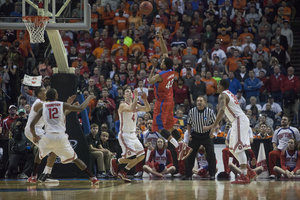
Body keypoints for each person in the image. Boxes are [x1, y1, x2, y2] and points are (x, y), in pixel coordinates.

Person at [29, 89, 99, 185]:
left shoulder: (43, 107)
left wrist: (34, 136)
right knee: (75, 159)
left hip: (48, 136)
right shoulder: (62, 105)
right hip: (61, 137)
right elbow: (81, 108)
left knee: (39, 153)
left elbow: (32, 124)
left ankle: (33, 176)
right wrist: (89, 98)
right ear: (55, 96)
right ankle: (93, 177)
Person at [148, 29, 192, 161]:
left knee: (159, 128)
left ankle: (178, 147)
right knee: (170, 126)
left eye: (161, 62)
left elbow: (150, 81)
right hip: (170, 102)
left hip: (161, 103)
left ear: (163, 65)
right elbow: (165, 52)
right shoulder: (171, 70)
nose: (160, 61)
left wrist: (153, 67)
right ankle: (183, 145)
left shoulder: (160, 75)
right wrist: (160, 38)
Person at [210, 79, 257, 184]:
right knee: (232, 149)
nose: (217, 87)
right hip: (237, 121)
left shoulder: (222, 95)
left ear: (221, 86)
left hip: (239, 120)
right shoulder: (230, 93)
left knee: (239, 148)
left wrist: (213, 127)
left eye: (218, 85)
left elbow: (221, 110)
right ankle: (249, 172)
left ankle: (244, 175)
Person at [110, 88, 150, 182]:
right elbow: (131, 108)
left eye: (130, 91)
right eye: (126, 91)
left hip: (133, 135)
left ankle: (123, 172)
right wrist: (136, 97)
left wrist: (145, 100)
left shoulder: (136, 105)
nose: (129, 92)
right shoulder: (122, 105)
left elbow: (147, 109)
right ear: (124, 95)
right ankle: (115, 161)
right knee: (131, 158)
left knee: (141, 156)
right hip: (125, 134)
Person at [25, 87, 63, 183]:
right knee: (54, 148)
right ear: (39, 94)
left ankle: (33, 176)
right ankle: (45, 175)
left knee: (41, 150)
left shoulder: (43, 103)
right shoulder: (39, 104)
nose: (46, 92)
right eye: (44, 91)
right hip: (33, 130)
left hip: (37, 129)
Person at [184, 96, 216, 180]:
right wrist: (190, 134)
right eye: (197, 100)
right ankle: (188, 174)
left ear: (205, 102)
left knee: (211, 154)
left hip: (206, 135)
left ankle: (212, 174)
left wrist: (209, 128)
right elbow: (189, 123)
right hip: (196, 134)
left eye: (201, 100)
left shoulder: (209, 111)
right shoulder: (192, 111)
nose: (199, 102)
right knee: (190, 155)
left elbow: (214, 123)